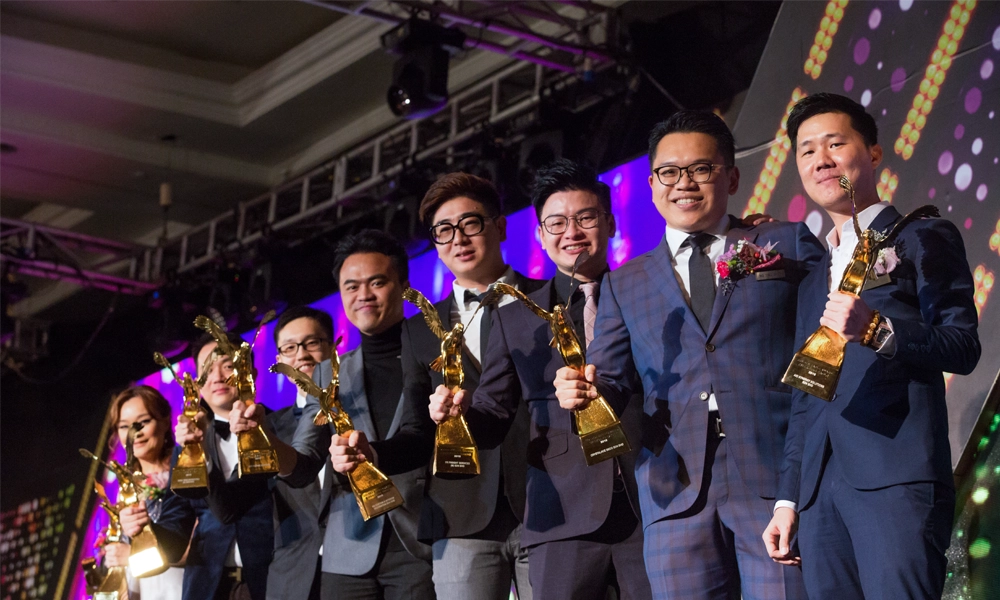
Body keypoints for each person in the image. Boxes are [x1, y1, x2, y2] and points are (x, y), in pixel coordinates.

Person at [553, 111, 824, 599]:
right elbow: (611, 382)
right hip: (673, 489)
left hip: (774, 474)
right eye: (669, 172)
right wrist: (584, 393)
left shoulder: (783, 243)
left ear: (732, 177)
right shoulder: (624, 282)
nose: (684, 183)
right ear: (652, 185)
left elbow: (823, 347)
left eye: (701, 169)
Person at [763, 92, 981, 599]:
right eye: (807, 150)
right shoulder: (814, 278)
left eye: (835, 144)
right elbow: (805, 397)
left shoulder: (921, 236)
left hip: (894, 475)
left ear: (875, 153)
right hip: (819, 495)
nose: (821, 159)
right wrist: (788, 499)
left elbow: (962, 345)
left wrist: (879, 330)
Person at [427, 159, 652, 599]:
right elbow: (493, 414)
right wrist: (459, 415)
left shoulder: (648, 290)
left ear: (609, 223)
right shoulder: (515, 317)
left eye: (585, 218)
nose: (572, 232)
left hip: (651, 499)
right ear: (540, 236)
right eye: (557, 223)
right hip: (561, 514)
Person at [330, 173, 542, 600]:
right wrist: (373, 454)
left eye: (471, 223)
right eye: (444, 230)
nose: (458, 239)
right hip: (459, 514)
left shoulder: (546, 299)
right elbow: (417, 430)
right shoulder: (419, 330)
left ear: (500, 227)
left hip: (546, 499)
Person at [232, 230, 435, 600]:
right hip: (348, 552)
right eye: (351, 287)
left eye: (377, 282)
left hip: (421, 541)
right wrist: (262, 436)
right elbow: (304, 463)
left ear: (404, 286)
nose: (363, 295)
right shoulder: (328, 374)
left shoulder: (434, 355)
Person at [139, 333, 275, 600]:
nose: (217, 377)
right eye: (206, 370)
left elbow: (230, 509)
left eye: (228, 365)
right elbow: (176, 528)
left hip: (273, 582)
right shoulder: (186, 446)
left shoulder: (280, 429)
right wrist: (144, 528)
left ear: (251, 372)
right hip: (208, 587)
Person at [266, 306, 336, 600]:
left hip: (360, 566)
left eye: (312, 343)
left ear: (332, 347)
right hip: (293, 578)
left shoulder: (363, 410)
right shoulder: (268, 427)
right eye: (290, 348)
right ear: (280, 360)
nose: (302, 355)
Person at [105, 385, 185, 600]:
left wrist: (133, 557)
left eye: (143, 422)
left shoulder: (186, 476)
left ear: (165, 421)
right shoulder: (124, 491)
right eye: (124, 426)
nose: (135, 433)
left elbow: (203, 546)